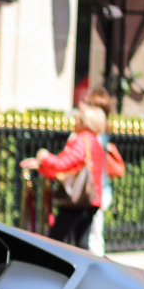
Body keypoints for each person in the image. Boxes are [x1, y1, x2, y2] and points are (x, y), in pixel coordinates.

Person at [20, 103, 106, 248]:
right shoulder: (95, 141)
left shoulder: (82, 140)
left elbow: (62, 164)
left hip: (76, 200)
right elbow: (72, 168)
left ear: (85, 122)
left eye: (78, 119)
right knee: (80, 244)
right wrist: (42, 167)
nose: (75, 122)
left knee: (56, 242)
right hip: (91, 200)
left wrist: (44, 157)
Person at [82, 87, 125, 255]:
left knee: (93, 237)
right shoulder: (103, 133)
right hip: (101, 189)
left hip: (96, 191)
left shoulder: (96, 137)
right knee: (93, 234)